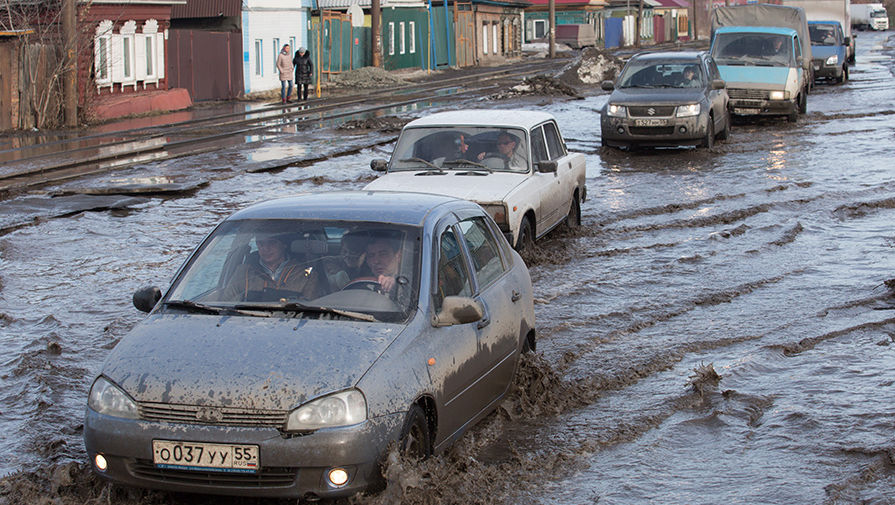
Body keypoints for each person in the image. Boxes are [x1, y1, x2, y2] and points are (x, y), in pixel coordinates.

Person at [224, 232, 323, 301]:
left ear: (284, 245)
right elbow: (226, 304)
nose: (265, 248)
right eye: (260, 243)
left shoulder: (307, 275)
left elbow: (311, 314)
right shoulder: (242, 272)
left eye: (272, 242)